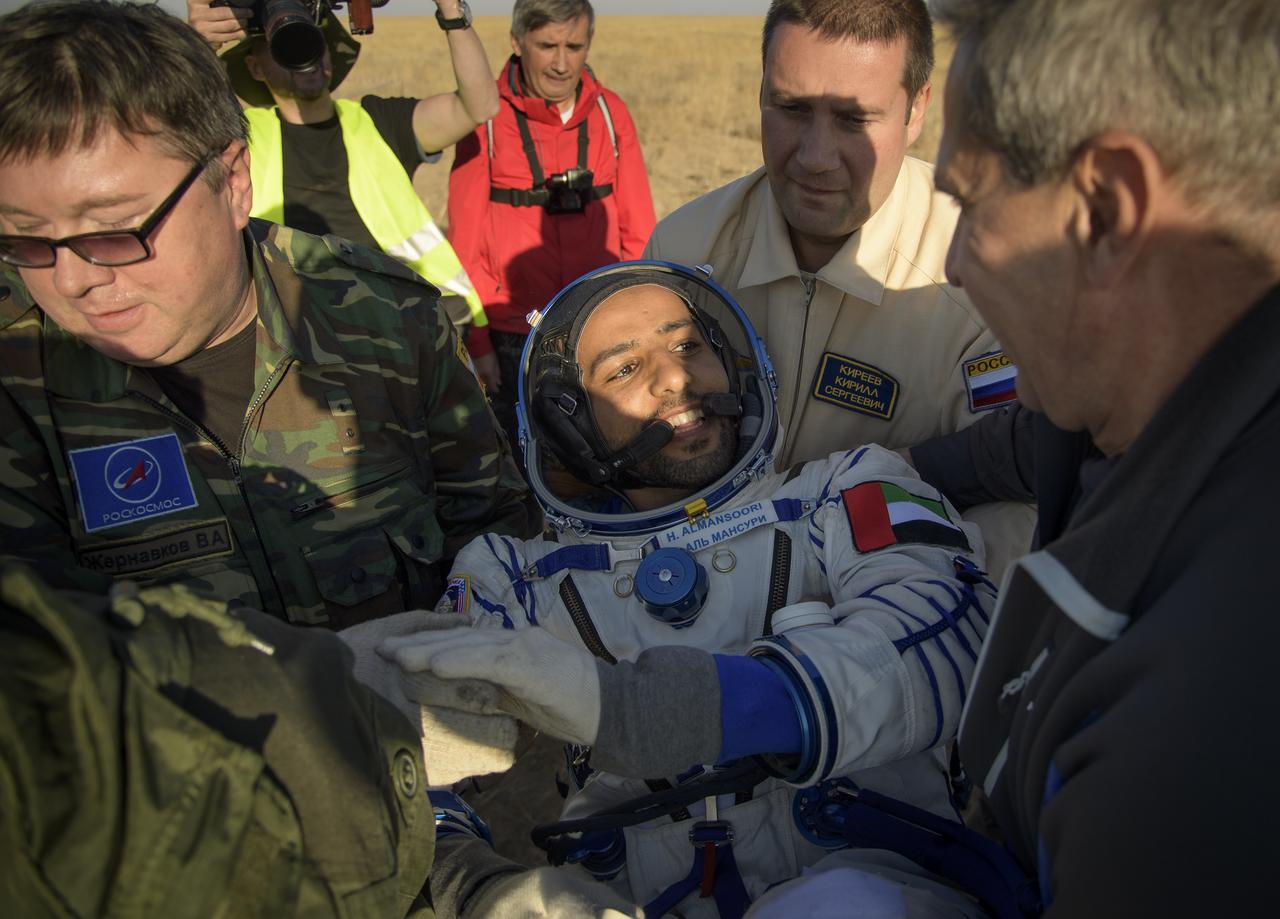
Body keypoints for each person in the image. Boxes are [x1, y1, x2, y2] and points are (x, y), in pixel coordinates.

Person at [723, 0, 1280, 915]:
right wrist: (854, 489)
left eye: (972, 206)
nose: (952, 263)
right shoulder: (1106, 416)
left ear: (1106, 212)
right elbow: (999, 451)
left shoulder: (1193, 744)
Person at [378, 262, 998, 918]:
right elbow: (399, 754)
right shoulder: (520, 581)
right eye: (624, 369)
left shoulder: (847, 490)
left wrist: (697, 708)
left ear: (733, 363)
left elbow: (951, 630)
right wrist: (469, 878)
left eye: (687, 347)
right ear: (569, 424)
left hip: (882, 887)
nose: (675, 376)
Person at [0, 0, 540, 630]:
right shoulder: (18, 389)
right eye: (26, 242)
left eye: (116, 231)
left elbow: (501, 545)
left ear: (232, 183)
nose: (72, 280)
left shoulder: (392, 325)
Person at [644, 0, 1032, 581]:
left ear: (918, 109)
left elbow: (1013, 508)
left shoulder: (978, 277)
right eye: (792, 108)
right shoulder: (684, 250)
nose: (815, 159)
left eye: (854, 119)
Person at [187, 0, 493, 332]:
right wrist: (195, 47)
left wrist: (451, 10)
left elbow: (479, 105)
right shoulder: (239, 139)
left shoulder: (378, 122)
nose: (307, 56)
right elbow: (162, 136)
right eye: (286, 44)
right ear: (255, 67)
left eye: (314, 40)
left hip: (410, 326)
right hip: (301, 336)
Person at [447, 0, 657, 450]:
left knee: (603, 452)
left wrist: (640, 319)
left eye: (574, 46)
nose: (562, 64)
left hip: (597, 322)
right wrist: (479, 342)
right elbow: (463, 241)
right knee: (520, 456)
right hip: (511, 334)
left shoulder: (610, 113)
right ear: (517, 43)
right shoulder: (483, 121)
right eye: (547, 46)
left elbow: (638, 228)